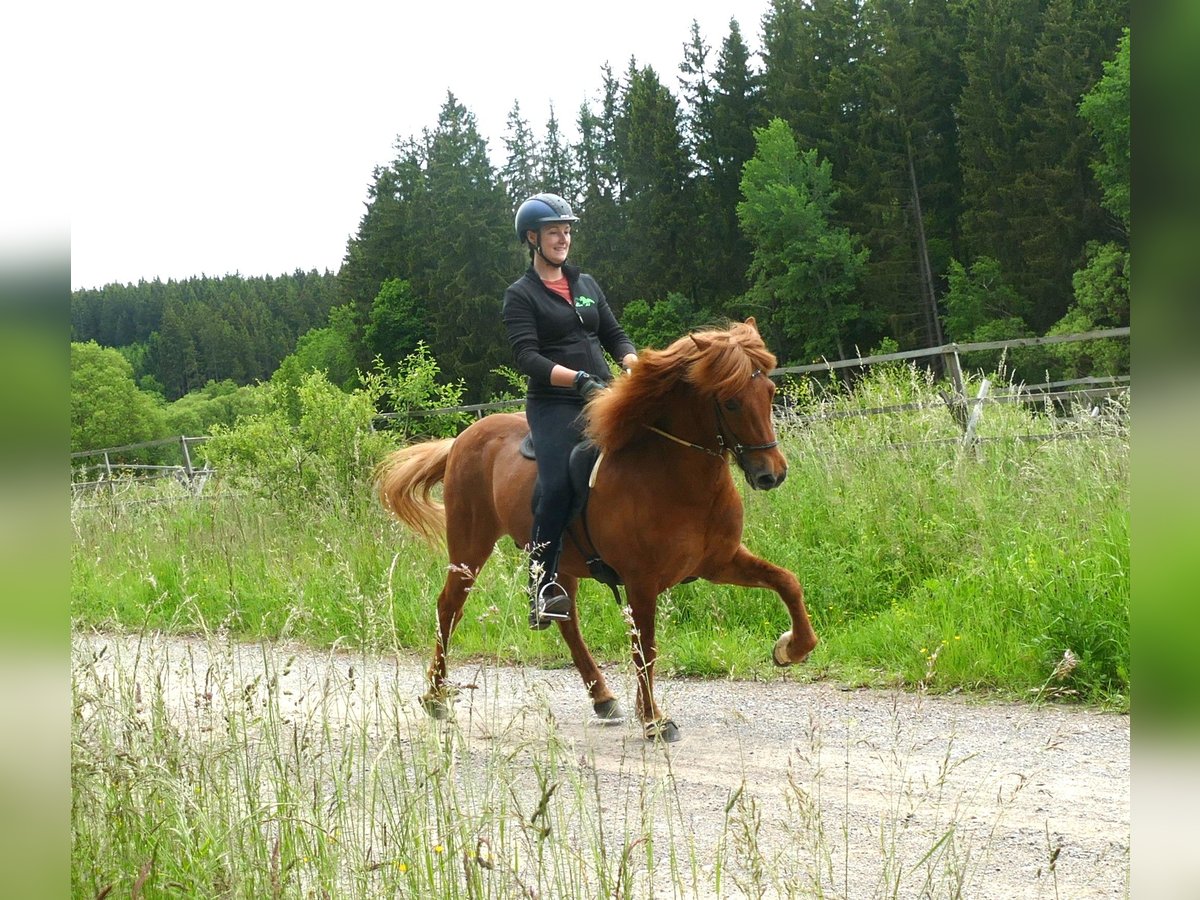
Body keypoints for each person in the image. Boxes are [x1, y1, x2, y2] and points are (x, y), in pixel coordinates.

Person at [502, 192, 638, 629]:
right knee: (558, 483)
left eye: (567, 231)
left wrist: (635, 364)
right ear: (532, 238)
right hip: (555, 402)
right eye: (553, 232)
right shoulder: (521, 295)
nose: (563, 239)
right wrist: (576, 379)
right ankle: (542, 584)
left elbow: (614, 334)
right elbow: (528, 358)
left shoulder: (585, 284)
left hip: (604, 392)